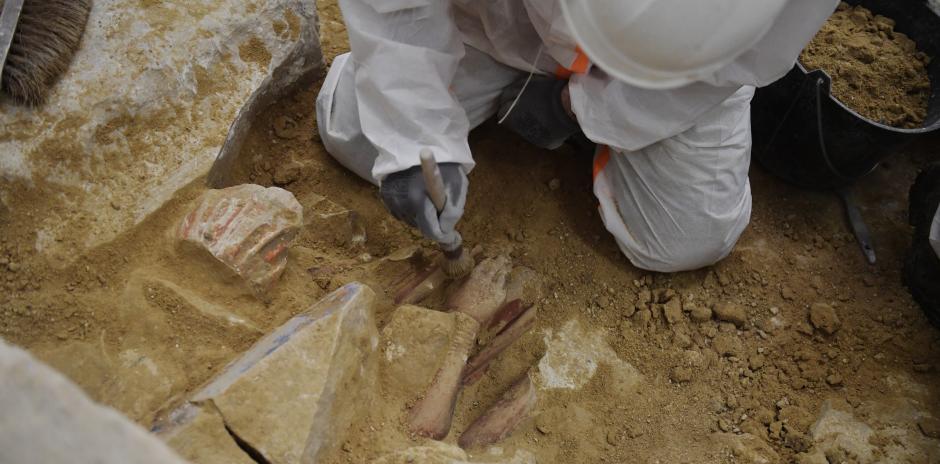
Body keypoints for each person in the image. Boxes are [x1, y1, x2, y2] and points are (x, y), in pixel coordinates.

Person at [316, 0, 839, 272]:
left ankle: (599, 114)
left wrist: (579, 108)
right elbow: (397, 10)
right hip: (501, 23)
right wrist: (415, 136)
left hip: (673, 81)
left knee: (687, 240)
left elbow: (731, 65)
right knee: (358, 135)